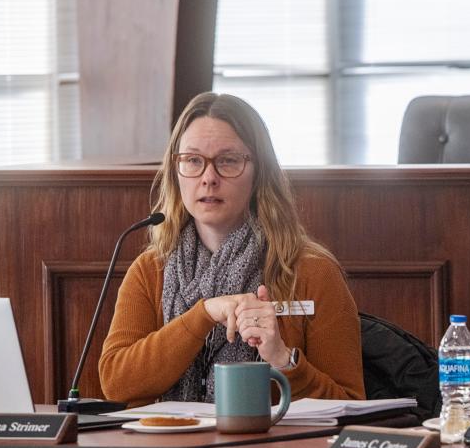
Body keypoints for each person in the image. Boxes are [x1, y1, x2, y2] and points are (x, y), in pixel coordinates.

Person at [99, 92, 365, 405]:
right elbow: (116, 383)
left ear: (258, 173)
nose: (208, 178)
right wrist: (204, 314)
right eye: (193, 161)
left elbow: (350, 403)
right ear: (175, 171)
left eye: (228, 161)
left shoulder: (312, 271)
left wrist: (282, 359)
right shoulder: (149, 270)